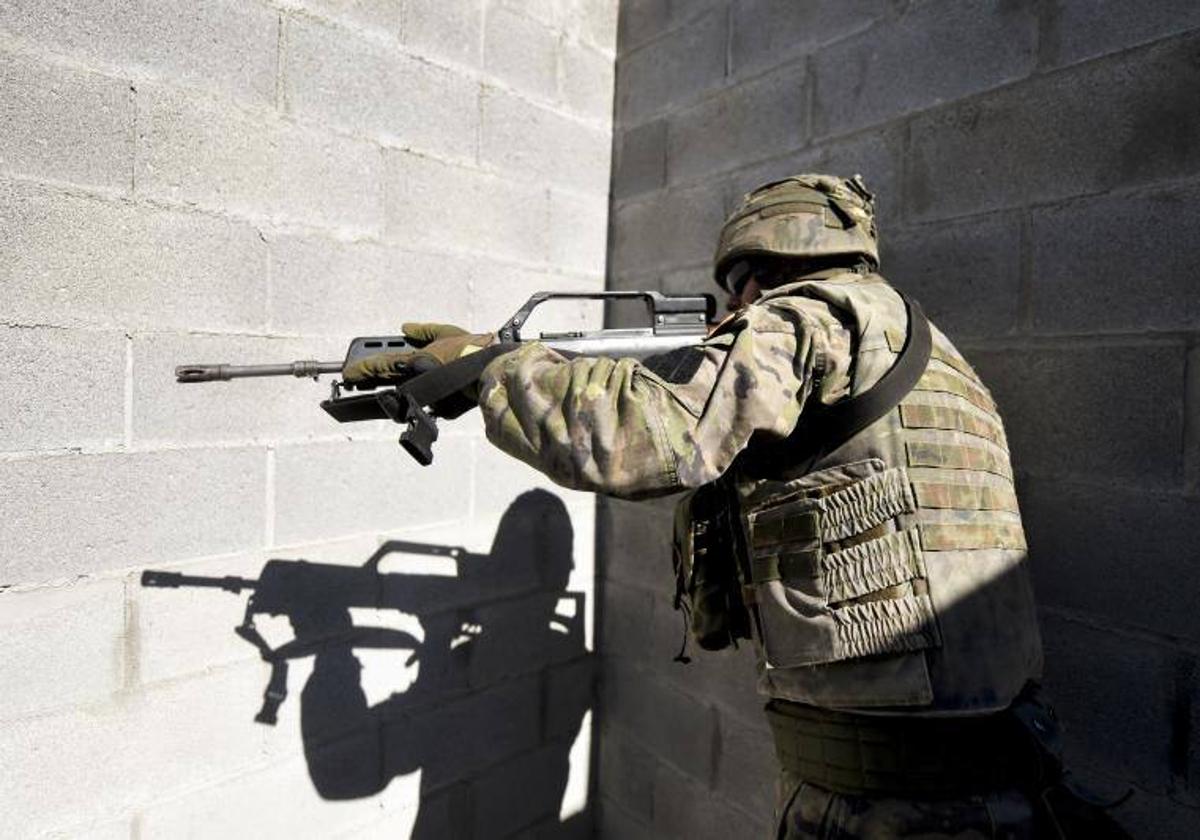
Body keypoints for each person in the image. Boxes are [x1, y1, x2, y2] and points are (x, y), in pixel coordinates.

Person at [343, 174, 1117, 838]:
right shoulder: (934, 354)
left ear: (763, 265)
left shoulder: (805, 318)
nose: (734, 308)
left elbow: (643, 435)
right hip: (997, 777)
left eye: (739, 285)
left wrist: (491, 371)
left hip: (891, 800)